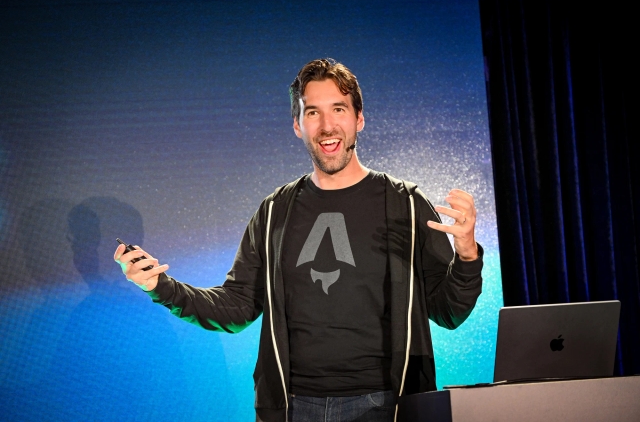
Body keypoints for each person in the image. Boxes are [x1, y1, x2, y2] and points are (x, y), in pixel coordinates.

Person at [115, 58, 483, 422]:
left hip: (387, 405)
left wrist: (466, 255)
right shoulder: (275, 211)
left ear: (359, 119)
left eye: (338, 109)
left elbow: (447, 312)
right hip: (292, 407)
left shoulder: (405, 204)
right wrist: (161, 287)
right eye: (312, 113)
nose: (327, 126)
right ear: (297, 125)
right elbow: (239, 306)